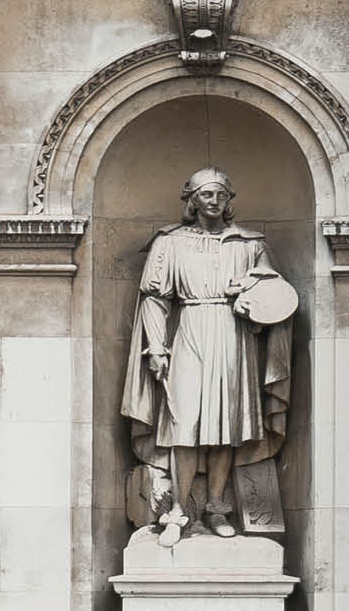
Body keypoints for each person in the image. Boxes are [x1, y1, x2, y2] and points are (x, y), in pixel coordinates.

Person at [121, 167, 297, 544]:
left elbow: (275, 298)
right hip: (189, 329)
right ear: (192, 200)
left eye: (221, 194)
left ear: (229, 199)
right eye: (206, 194)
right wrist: (156, 347)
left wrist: (250, 295)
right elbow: (154, 298)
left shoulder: (251, 244)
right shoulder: (170, 242)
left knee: (225, 427)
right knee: (183, 424)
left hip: (233, 335)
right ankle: (178, 510)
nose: (214, 201)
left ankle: (216, 507)